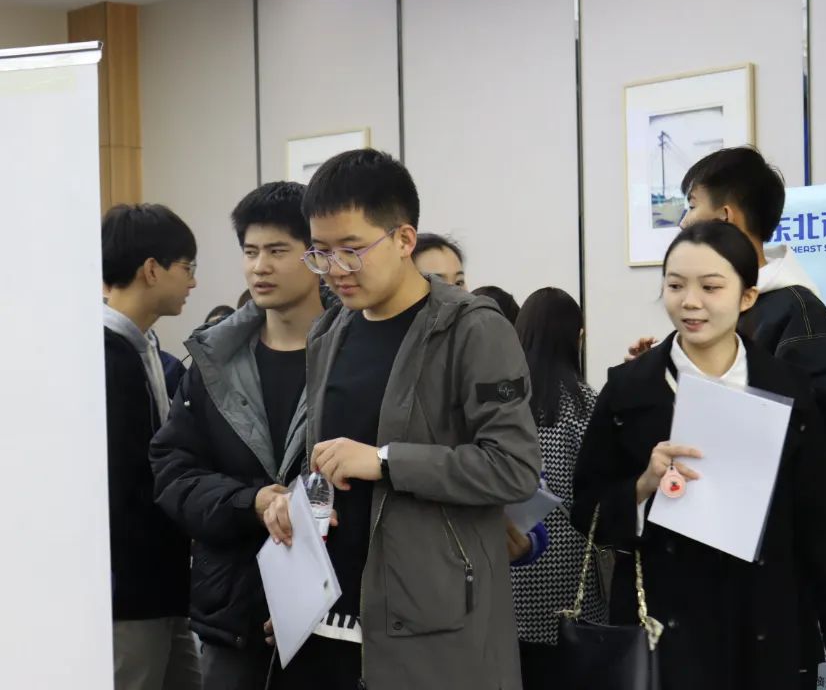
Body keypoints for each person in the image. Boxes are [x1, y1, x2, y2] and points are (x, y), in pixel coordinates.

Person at [260, 148, 542, 690]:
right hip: (325, 616)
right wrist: (295, 501)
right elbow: (331, 462)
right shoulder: (330, 332)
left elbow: (513, 468)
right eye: (320, 252)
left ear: (404, 239)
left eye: (351, 250)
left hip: (430, 627)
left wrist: (386, 461)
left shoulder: (473, 329)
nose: (334, 270)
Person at [573, 221, 826, 690]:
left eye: (710, 287)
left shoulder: (785, 388)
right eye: (675, 285)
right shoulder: (628, 390)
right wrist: (641, 487)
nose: (689, 301)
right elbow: (586, 510)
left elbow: (819, 523)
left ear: (747, 296)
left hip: (766, 627)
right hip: (662, 631)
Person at [626, 147, 826, 685]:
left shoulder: (797, 316)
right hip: (684, 587)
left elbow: (812, 477)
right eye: (677, 287)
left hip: (763, 592)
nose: (683, 220)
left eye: (690, 204)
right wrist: (658, 381)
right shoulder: (709, 325)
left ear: (725, 216)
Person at [149, 182, 327, 690]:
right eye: (250, 252)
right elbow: (173, 473)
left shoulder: (354, 355)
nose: (259, 267)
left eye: (277, 251)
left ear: (316, 256)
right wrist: (252, 501)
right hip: (234, 617)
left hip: (335, 618)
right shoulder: (214, 364)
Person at [102, 203, 201, 690]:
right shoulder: (103, 356)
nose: (193, 282)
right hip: (130, 589)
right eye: (187, 267)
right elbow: (124, 484)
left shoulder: (144, 347)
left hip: (163, 583)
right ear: (151, 269)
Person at [511, 288, 603, 690]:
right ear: (576, 337)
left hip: (512, 556)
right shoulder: (586, 403)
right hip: (571, 570)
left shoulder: (501, 399)